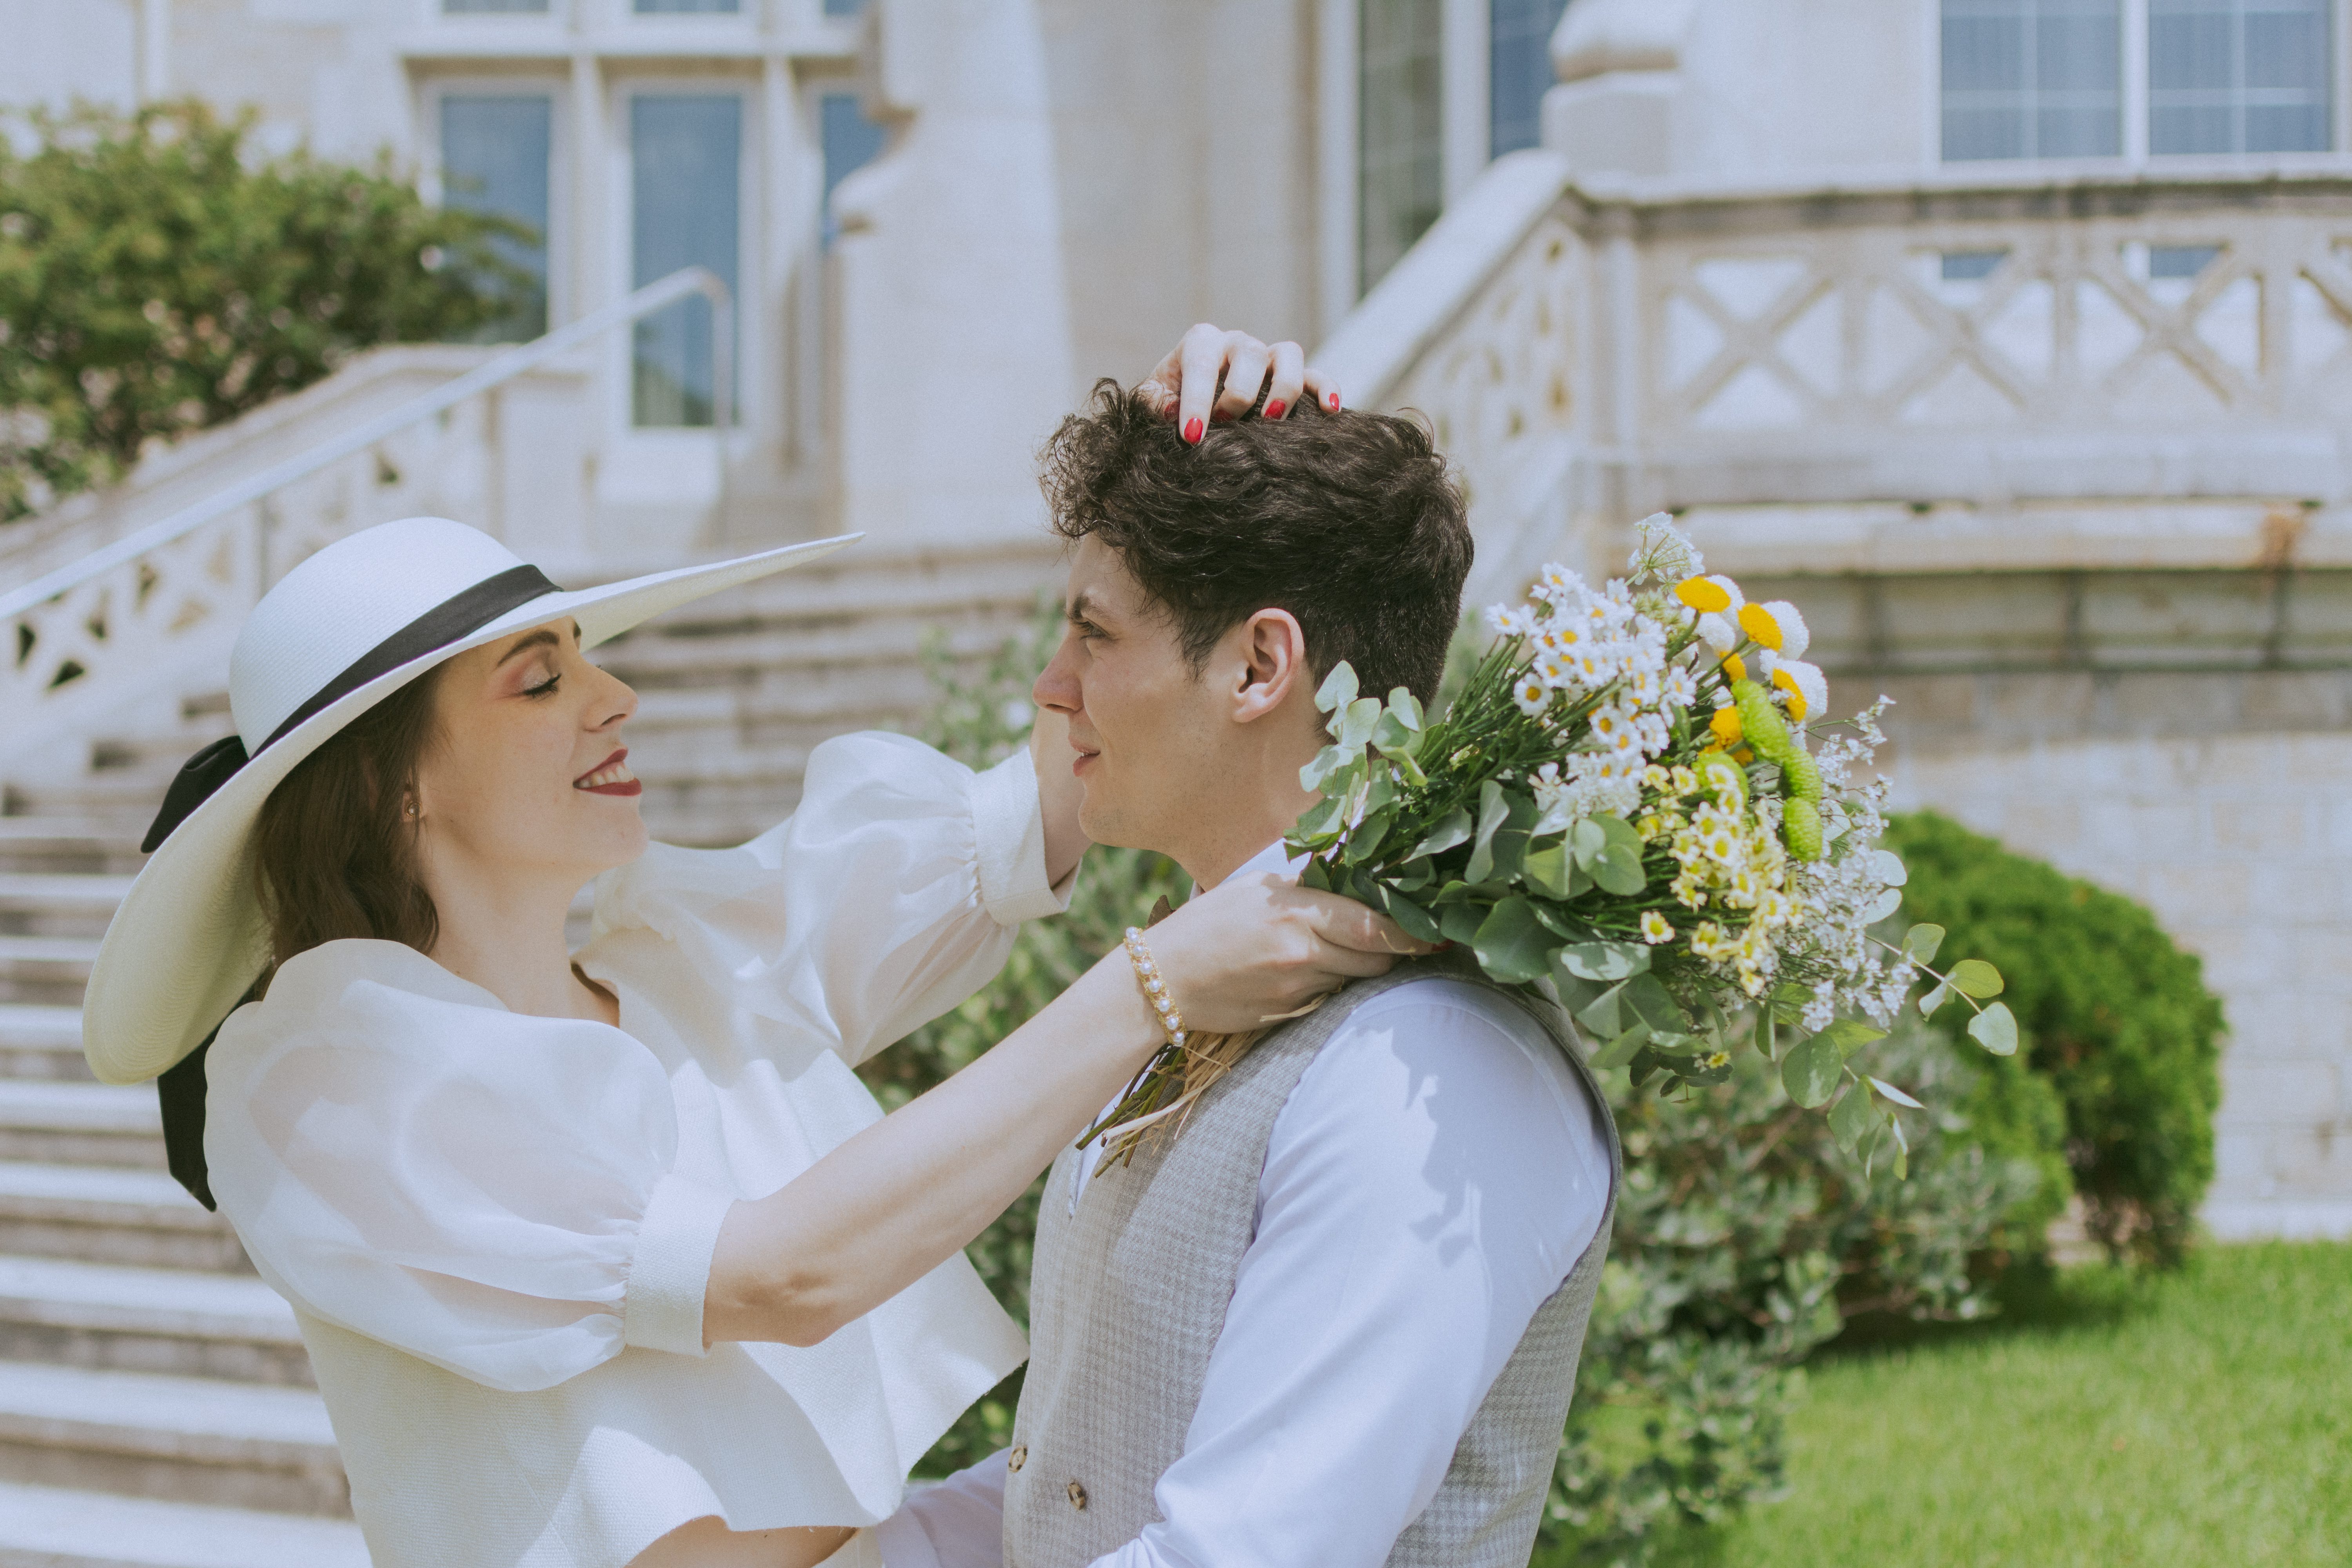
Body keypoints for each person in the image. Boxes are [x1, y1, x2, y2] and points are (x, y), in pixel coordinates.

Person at [79, 332, 1423, 1568]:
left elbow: (1085, 767)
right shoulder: (330, 1080)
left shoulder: (682, 965)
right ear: (390, 791)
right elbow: (778, 1277)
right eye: (542, 681)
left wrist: (1190, 456)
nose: (616, 696)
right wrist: (1154, 986)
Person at [873, 385, 1621, 1568]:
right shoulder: (1207, 988)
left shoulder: (1426, 1069)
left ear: (1259, 666)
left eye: (1096, 633)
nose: (1050, 685)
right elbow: (1079, 1475)